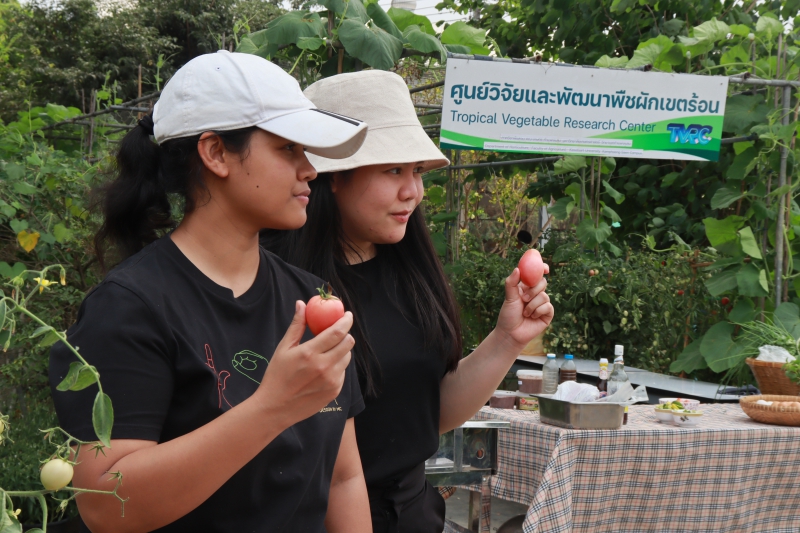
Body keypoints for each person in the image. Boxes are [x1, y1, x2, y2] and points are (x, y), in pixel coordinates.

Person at [48, 51, 373, 533]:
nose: (310, 170)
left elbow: (343, 477)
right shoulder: (129, 307)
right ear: (216, 153)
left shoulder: (312, 298)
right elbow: (106, 505)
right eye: (288, 148)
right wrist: (271, 407)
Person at [262, 70, 554, 533]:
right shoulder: (282, 289)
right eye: (393, 169)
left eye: (416, 170)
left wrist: (507, 340)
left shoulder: (409, 272)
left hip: (413, 513)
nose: (412, 191)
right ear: (333, 175)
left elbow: (429, 415)